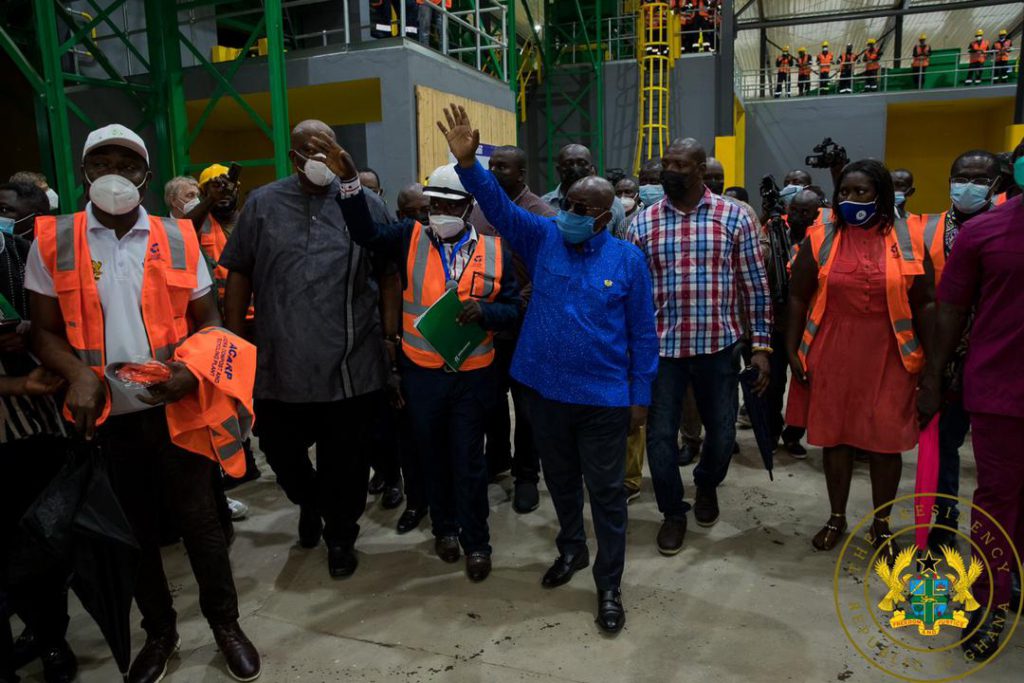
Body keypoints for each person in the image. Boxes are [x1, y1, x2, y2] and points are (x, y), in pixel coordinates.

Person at [25, 123, 260, 682]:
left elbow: (209, 319)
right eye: (101, 161)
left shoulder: (177, 236)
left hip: (177, 408)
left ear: (146, 175)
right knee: (135, 536)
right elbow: (43, 330)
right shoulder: (53, 240)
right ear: (83, 172)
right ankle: (159, 632)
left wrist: (188, 370)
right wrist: (75, 372)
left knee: (202, 524)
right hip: (105, 418)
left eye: (127, 163)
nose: (114, 172)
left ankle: (226, 624)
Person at [440, 104, 657, 633]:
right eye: (571, 205)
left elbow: (642, 335)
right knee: (561, 482)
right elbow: (497, 203)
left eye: (584, 208)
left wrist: (640, 396)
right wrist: (469, 164)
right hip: (543, 391)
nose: (572, 213)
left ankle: (609, 584)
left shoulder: (627, 260)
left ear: (605, 218)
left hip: (604, 399)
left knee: (605, 494)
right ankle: (572, 550)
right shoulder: (543, 237)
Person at [323, 140, 521, 582]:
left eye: (447, 205)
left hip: (472, 376)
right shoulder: (409, 237)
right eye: (432, 204)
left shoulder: (495, 250)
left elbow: (514, 309)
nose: (437, 212)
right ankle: (444, 530)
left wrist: (486, 312)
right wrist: (350, 185)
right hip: (423, 373)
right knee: (432, 457)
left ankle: (477, 542)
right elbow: (365, 234)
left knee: (469, 461)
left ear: (469, 206)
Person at [219, 120, 391, 580]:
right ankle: (309, 501)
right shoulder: (262, 204)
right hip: (280, 360)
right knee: (278, 450)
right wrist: (234, 344)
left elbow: (391, 272)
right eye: (306, 152)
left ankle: (340, 535)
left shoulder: (367, 204)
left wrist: (390, 339)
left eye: (325, 150)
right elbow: (238, 272)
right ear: (291, 156)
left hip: (350, 360)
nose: (317, 160)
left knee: (348, 462)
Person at [628, 137, 771, 557]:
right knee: (659, 438)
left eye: (679, 164)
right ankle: (673, 512)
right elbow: (634, 295)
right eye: (665, 164)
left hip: (717, 346)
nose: (668, 171)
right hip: (662, 351)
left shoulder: (734, 217)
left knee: (723, 433)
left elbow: (754, 286)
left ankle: (707, 483)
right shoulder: (643, 222)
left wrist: (760, 346)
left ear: (700, 170)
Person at [787, 159, 933, 558]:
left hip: (891, 352)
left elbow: (926, 303)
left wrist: (935, 365)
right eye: (844, 193)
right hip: (832, 348)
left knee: (886, 442)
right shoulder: (822, 237)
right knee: (837, 438)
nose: (851, 200)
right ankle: (836, 516)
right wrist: (791, 348)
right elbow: (798, 294)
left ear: (881, 196)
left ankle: (882, 525)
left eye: (861, 192)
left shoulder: (909, 237)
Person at [918, 139, 1024, 661]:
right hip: (1004, 388)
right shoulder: (984, 233)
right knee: (998, 499)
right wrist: (933, 378)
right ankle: (988, 603)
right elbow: (949, 311)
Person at [909, 150, 1002, 551]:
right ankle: (944, 518)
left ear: (996, 184)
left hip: (995, 357)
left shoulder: (1005, 227)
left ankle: (1000, 531)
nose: (969, 185)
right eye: (962, 176)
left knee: (995, 454)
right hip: (944, 356)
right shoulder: (926, 229)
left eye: (980, 179)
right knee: (944, 443)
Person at [1, 226, 77, 683]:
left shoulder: (22, 250)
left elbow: (62, 322)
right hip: (14, 399)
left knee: (43, 542)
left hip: (34, 422)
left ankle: (49, 636)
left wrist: (33, 334)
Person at [468, 145, 553, 513]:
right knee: (490, 401)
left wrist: (517, 304)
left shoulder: (539, 213)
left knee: (527, 406)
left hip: (525, 325)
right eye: (493, 165)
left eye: (503, 167)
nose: (496, 171)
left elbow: (546, 269)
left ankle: (526, 475)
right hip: (487, 323)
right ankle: (497, 459)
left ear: (521, 173)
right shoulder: (479, 210)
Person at [767, 188, 819, 459]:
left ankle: (794, 434)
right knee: (773, 384)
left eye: (804, 212)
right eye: (794, 210)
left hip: (808, 327)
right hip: (777, 324)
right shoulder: (775, 235)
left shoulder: (822, 241)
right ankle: (772, 433)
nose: (797, 216)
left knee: (803, 383)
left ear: (816, 213)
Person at [542, 144, 628, 238]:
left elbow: (621, 240)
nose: (575, 168)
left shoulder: (614, 204)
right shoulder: (543, 204)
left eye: (581, 163)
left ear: (591, 169)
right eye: (568, 164)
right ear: (559, 170)